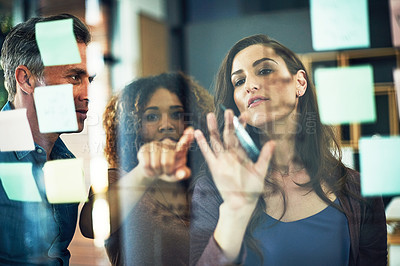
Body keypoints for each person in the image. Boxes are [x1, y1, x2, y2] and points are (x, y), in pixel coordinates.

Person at [190, 34, 387, 266]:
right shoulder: (213, 191)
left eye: (264, 71)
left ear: (299, 83)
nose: (251, 85)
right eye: (239, 81)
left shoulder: (359, 190)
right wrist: (234, 212)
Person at [79, 72, 214, 265]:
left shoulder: (203, 186)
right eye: (152, 116)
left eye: (176, 114)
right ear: (133, 126)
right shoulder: (116, 180)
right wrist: (146, 171)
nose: (166, 125)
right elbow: (91, 227)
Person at [0, 14, 91, 265]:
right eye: (74, 77)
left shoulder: (66, 161)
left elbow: (58, 255)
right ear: (26, 80)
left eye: (88, 79)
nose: (86, 94)